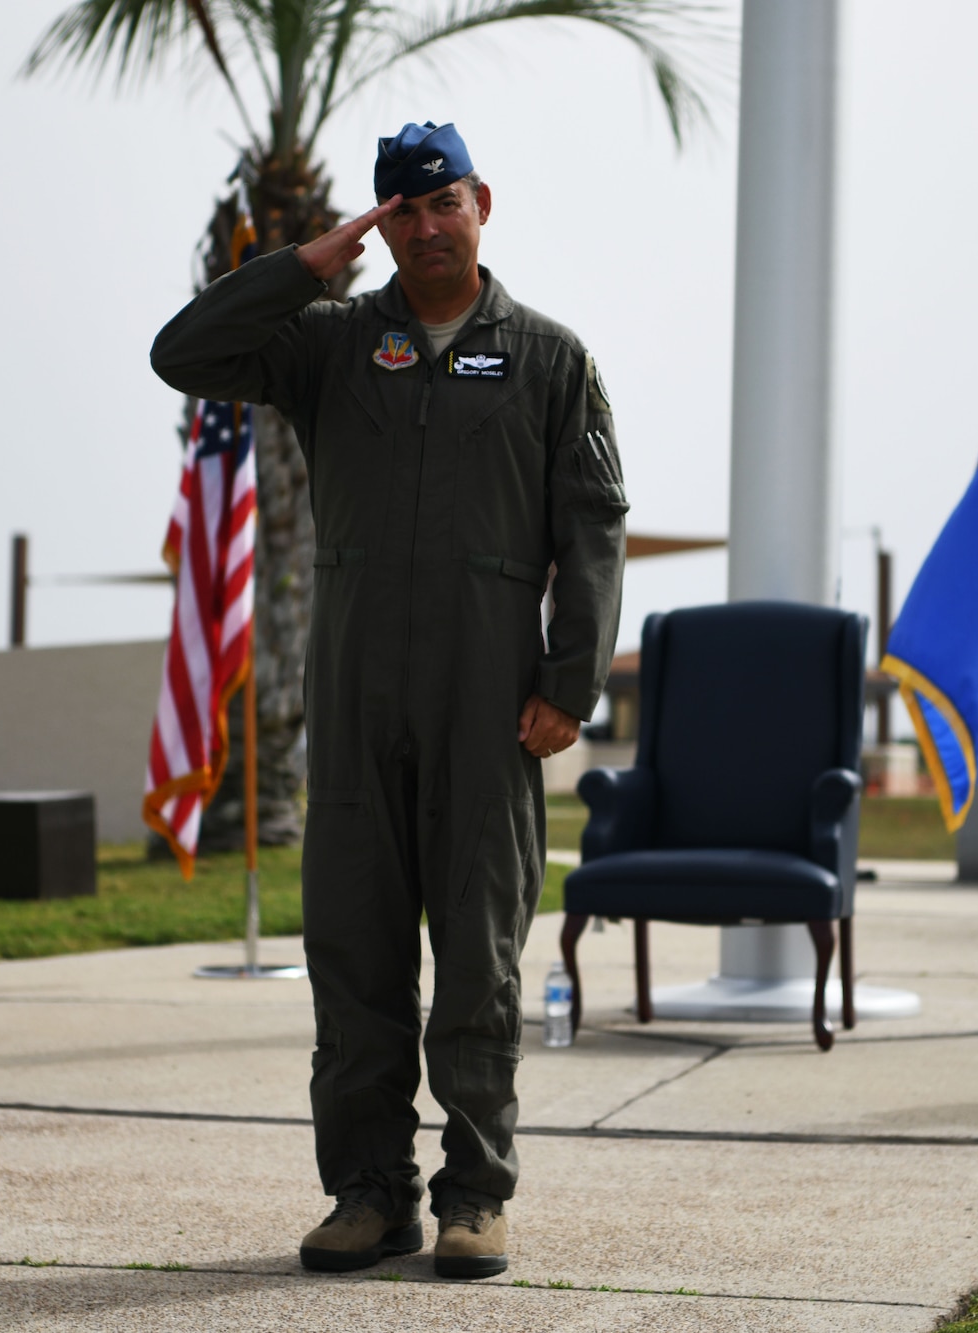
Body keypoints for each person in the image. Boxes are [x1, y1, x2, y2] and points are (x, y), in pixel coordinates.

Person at [151, 122, 626, 1279]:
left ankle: (474, 1197)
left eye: (440, 204)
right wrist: (308, 263)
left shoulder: (548, 358)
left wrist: (568, 684)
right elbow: (184, 353)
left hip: (486, 705)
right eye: (398, 212)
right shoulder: (328, 346)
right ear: (378, 225)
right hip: (355, 706)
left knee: (477, 963)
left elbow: (593, 527)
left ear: (480, 204)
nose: (422, 227)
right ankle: (366, 1193)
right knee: (354, 962)